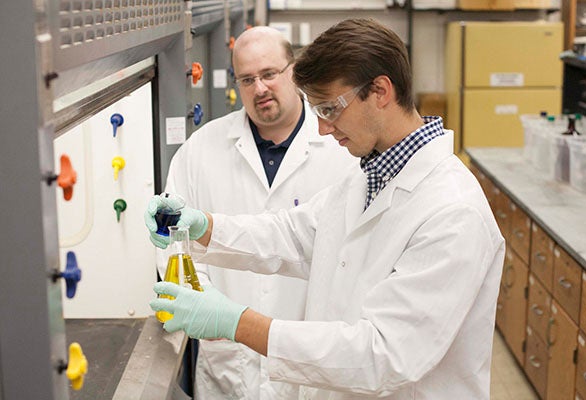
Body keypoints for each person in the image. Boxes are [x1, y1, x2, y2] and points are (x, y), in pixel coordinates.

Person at [146, 18, 505, 399]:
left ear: (380, 91)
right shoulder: (369, 176)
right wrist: (204, 226)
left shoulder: (453, 212)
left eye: (331, 108)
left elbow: (382, 354)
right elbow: (295, 235)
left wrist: (238, 323)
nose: (322, 129)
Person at [149, 26, 357, 399]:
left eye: (269, 74)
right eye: (247, 79)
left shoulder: (341, 148)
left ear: (294, 70)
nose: (259, 88)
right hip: (228, 364)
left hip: (311, 366)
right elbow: (174, 246)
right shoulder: (202, 149)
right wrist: (207, 307)